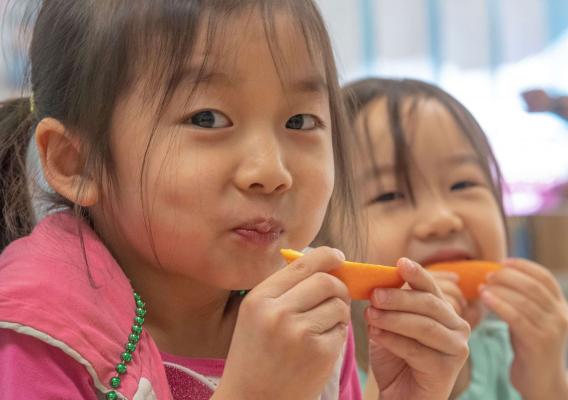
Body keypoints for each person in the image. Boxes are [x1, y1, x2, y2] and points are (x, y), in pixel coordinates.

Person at [0, 2, 469, 399]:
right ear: (77, 162)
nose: (271, 172)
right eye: (207, 118)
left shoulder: (308, 314)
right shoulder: (36, 339)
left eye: (301, 122)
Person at [340, 78, 568, 400]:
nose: (442, 220)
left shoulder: (512, 356)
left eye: (463, 185)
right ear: (324, 241)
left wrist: (548, 383)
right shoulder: (318, 371)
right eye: (390, 195)